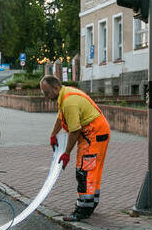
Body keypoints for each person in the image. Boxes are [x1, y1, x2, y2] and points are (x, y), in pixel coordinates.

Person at [39, 75, 110, 222]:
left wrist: (66, 153)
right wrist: (53, 134)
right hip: (94, 133)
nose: (45, 96)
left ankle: (83, 211)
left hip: (93, 134)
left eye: (46, 92)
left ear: (56, 88)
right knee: (91, 170)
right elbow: (61, 117)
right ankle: (91, 204)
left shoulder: (69, 101)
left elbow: (74, 130)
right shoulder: (65, 95)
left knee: (85, 171)